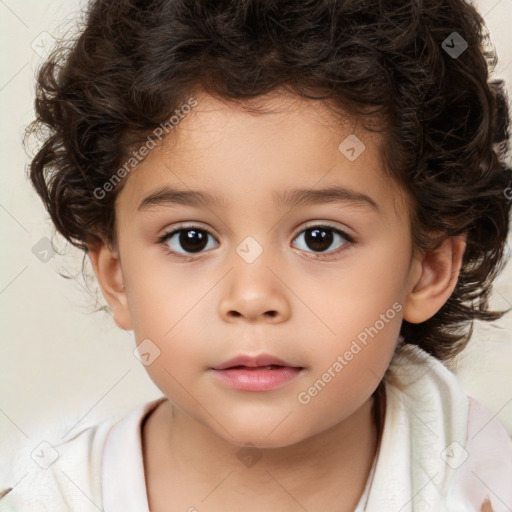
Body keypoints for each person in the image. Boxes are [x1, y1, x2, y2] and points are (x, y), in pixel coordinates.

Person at [2, 0, 512, 510]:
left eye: (320, 238)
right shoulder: (46, 500)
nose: (251, 298)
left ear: (428, 269)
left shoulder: (483, 489)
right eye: (191, 239)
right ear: (116, 276)